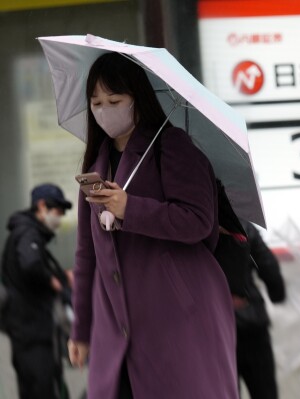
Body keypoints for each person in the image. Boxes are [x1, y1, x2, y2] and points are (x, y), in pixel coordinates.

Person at [67, 52, 238, 399]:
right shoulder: (95, 166)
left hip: (177, 317)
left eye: (115, 100)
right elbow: (87, 257)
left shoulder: (171, 146)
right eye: (96, 102)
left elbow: (198, 220)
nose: (104, 110)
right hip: (116, 327)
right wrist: (81, 331)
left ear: (137, 99)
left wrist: (131, 208)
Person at [1, 183, 73, 399]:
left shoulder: (25, 231)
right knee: (42, 389)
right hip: (32, 331)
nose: (59, 218)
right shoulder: (27, 232)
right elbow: (30, 264)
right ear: (41, 206)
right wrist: (53, 281)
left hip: (26, 329)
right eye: (57, 211)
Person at [233, 219, 286, 399]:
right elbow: (269, 267)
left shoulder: (198, 231)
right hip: (253, 324)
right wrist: (277, 294)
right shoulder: (245, 227)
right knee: (265, 392)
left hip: (216, 331)